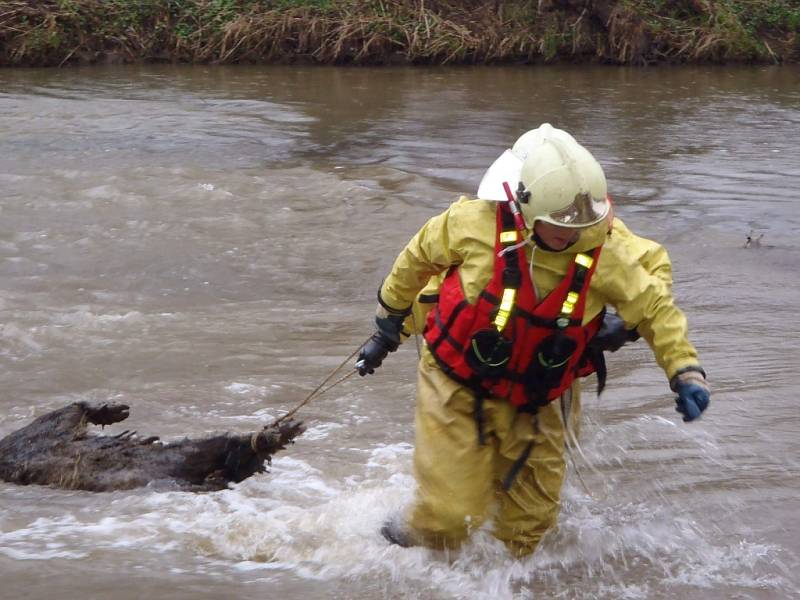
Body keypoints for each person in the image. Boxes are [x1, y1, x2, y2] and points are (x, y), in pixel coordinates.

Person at [355, 124, 710, 558]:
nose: (574, 233)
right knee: (447, 517)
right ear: (527, 208)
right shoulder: (472, 226)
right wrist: (388, 325)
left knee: (528, 530)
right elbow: (419, 270)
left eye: (583, 223)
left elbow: (656, 305)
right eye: (561, 225)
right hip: (457, 386)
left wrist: (683, 369)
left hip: (541, 395)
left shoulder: (607, 248)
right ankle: (401, 535)